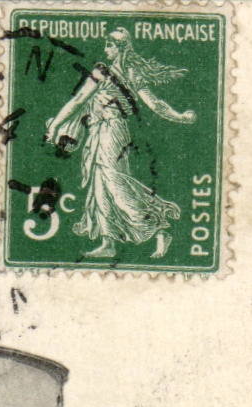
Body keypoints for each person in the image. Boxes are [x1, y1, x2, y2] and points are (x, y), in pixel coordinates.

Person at [43, 28, 196, 260]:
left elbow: (78, 100)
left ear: (120, 47)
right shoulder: (130, 73)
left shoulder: (105, 72)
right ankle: (108, 242)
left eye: (110, 44)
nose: (106, 48)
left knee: (114, 183)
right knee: (99, 185)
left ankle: (159, 227)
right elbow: (155, 105)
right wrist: (180, 116)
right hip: (100, 131)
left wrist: (54, 126)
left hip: (111, 131)